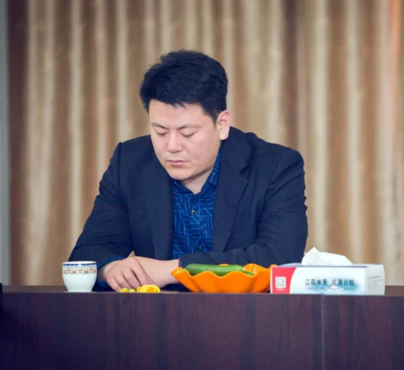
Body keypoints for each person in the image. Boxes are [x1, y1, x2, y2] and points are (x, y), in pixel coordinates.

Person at [69, 50, 308, 291]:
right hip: (155, 313)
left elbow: (278, 258)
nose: (172, 146)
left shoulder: (275, 166)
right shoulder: (130, 163)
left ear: (222, 124)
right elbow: (88, 252)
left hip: (245, 313)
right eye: (160, 132)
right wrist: (111, 268)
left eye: (187, 133)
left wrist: (173, 270)